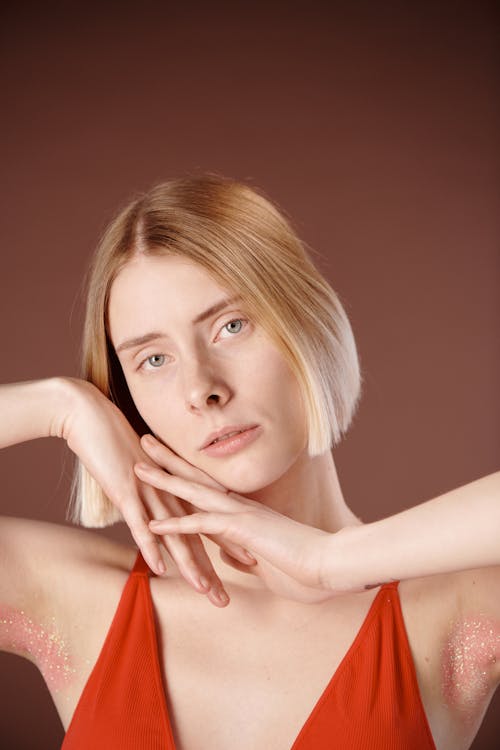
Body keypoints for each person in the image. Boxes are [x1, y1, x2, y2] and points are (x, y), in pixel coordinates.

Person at [1, 174, 499, 750]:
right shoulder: (72, 597)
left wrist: (332, 560)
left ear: (306, 323)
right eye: (154, 359)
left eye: (230, 326)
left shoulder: (447, 610)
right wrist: (59, 406)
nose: (201, 388)